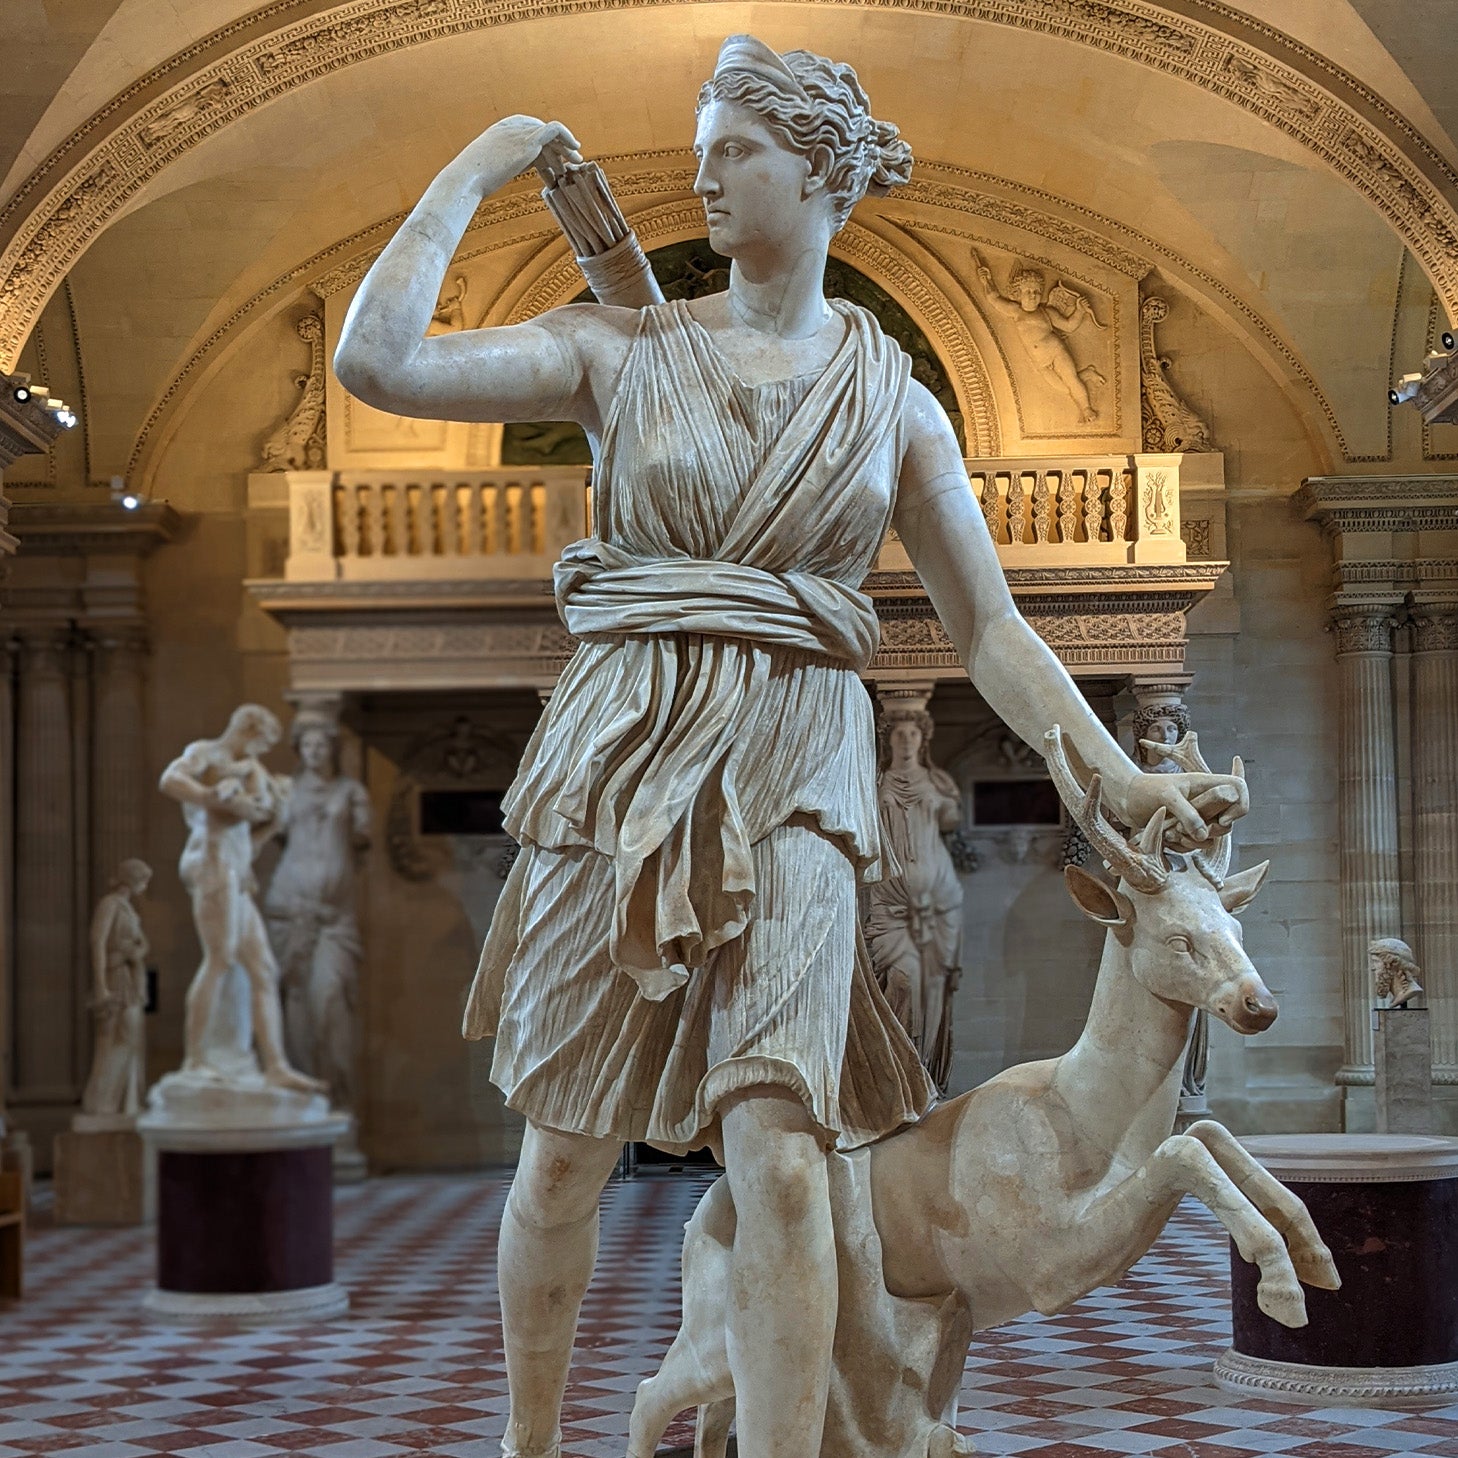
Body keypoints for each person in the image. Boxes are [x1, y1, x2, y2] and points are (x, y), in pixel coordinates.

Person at [334, 35, 1248, 1458]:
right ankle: (527, 1442)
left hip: (803, 768)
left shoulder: (894, 399)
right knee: (566, 1146)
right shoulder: (618, 347)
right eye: (699, 150)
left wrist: (1109, 769)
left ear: (819, 173)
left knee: (782, 1151)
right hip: (622, 757)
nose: (699, 172)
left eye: (732, 149)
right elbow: (377, 360)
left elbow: (990, 628)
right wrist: (490, 154)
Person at [158, 704, 323, 1094]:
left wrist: (273, 820)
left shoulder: (254, 770)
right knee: (220, 957)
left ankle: (277, 1066)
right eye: (261, 743)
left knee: (263, 969)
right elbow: (170, 779)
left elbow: (252, 834)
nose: (261, 753)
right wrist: (214, 797)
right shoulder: (207, 753)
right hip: (212, 863)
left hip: (236, 866)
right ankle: (195, 1059)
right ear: (247, 730)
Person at [264, 713, 372, 1112]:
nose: (314, 752)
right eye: (307, 745)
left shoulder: (350, 791)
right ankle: (303, 1098)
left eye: (321, 745)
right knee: (296, 1001)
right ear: (298, 750)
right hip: (289, 906)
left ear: (333, 749)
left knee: (330, 998)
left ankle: (336, 1094)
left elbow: (362, 841)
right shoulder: (283, 792)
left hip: (334, 917)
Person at [864, 709, 963, 1089]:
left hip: (936, 899)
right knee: (902, 979)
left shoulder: (935, 781)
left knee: (932, 987)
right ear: (888, 740)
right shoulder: (875, 783)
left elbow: (951, 820)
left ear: (923, 740)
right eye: (899, 735)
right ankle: (892, 1070)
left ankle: (922, 1073)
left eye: (913, 735)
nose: (906, 741)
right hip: (889, 900)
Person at [80, 858, 152, 1118]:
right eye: (143, 880)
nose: (145, 886)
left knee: (132, 1039)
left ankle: (128, 1102)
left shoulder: (130, 910)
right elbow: (97, 942)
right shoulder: (110, 904)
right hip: (114, 978)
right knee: (116, 1040)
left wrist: (133, 953)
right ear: (133, 880)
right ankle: (101, 1103)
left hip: (131, 977)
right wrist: (100, 985)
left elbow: (143, 945)